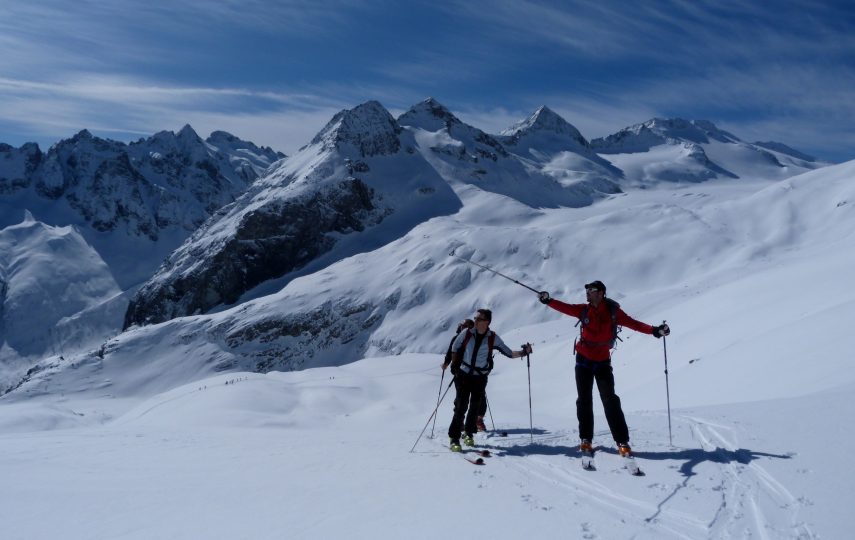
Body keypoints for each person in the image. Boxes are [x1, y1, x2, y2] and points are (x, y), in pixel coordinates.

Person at [538, 281, 669, 457]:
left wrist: (654, 331)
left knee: (610, 400)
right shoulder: (583, 310)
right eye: (587, 290)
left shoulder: (614, 312)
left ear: (601, 293)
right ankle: (586, 439)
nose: (587, 293)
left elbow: (634, 324)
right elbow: (565, 308)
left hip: (602, 362)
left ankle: (622, 440)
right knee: (584, 400)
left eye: (591, 291)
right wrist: (548, 301)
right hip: (583, 360)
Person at [443, 308, 532, 452]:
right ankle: (454, 437)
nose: (475, 321)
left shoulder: (493, 337)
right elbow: (455, 346)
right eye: (476, 318)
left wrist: (524, 352)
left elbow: (508, 353)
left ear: (487, 322)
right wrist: (454, 365)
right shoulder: (467, 333)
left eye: (479, 319)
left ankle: (469, 434)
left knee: (474, 408)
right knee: (461, 405)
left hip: (480, 377)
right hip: (464, 375)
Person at [441, 318, 488, 432]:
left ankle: (477, 419)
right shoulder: (457, 339)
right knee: (462, 399)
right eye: (464, 326)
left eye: (468, 326)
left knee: (478, 398)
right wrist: (447, 363)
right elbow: (450, 353)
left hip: (476, 373)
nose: (465, 329)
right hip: (461, 373)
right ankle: (462, 421)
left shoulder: (474, 338)